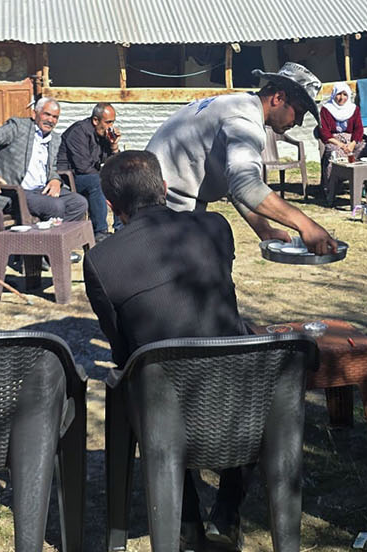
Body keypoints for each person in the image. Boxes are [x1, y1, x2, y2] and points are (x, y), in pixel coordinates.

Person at [85, 150, 251, 549]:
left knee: (150, 377)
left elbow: (121, 348)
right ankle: (227, 510)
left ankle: (187, 520)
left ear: (110, 204)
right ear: (163, 187)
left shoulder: (100, 261)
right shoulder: (215, 226)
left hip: (163, 403)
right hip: (238, 392)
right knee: (237, 353)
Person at [146, 63, 337, 254]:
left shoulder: (238, 105)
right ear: (278, 98)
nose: (299, 122)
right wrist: (305, 225)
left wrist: (264, 229)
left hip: (157, 206)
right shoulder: (244, 122)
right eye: (299, 112)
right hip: (160, 212)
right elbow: (246, 185)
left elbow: (233, 181)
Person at [0, 97, 88, 224]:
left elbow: (52, 168)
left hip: (42, 190)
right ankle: (48, 234)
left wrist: (55, 180)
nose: (50, 120)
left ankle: (50, 232)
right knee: (55, 206)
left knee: (79, 203)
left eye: (55, 117)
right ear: (34, 114)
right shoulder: (17, 127)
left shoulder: (55, 139)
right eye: (47, 114)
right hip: (16, 192)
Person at [56, 102, 121, 235]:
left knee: (119, 178)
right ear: (96, 120)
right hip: (70, 178)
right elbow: (83, 168)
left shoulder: (103, 135)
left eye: (112, 122)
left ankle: (121, 229)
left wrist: (114, 146)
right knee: (97, 181)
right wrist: (105, 178)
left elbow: (115, 165)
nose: (110, 127)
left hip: (89, 175)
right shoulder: (78, 132)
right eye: (108, 122)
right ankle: (100, 231)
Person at [317, 81, 367, 192]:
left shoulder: (354, 109)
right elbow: (324, 131)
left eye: (345, 94)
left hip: (351, 140)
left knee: (363, 149)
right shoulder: (326, 109)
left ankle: (360, 184)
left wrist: (352, 144)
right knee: (334, 153)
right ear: (334, 95)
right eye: (339, 94)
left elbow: (359, 128)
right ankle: (331, 187)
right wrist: (340, 144)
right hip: (333, 140)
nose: (342, 98)